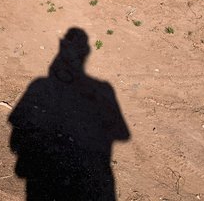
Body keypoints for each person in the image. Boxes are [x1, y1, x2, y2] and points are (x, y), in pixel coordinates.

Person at [9, 28, 129, 200]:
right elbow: (121, 133)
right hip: (91, 179)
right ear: (86, 52)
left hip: (44, 179)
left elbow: (17, 128)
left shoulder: (39, 86)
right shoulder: (103, 90)